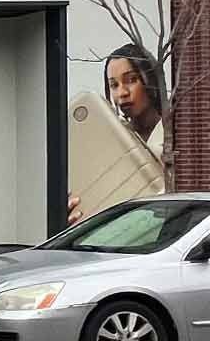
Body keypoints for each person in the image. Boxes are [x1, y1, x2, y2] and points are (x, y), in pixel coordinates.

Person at [68, 43, 167, 225]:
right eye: (113, 85)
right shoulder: (110, 143)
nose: (122, 93)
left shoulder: (178, 135)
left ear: (151, 80)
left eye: (131, 80)